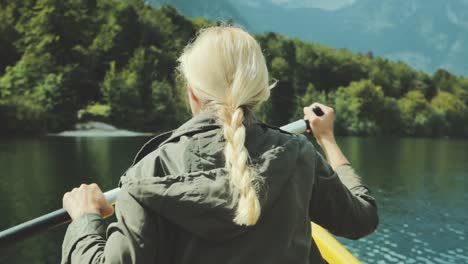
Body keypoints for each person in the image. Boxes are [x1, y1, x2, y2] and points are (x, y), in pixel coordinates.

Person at [61, 26, 378, 264]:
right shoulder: (299, 156)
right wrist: (326, 139)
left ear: (192, 93)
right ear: (260, 92)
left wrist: (85, 221)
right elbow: (361, 218)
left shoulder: (147, 175)